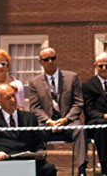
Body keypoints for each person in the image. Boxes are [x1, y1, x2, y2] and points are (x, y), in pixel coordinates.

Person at [26, 45, 85, 176]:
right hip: (47, 124)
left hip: (69, 121)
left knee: (80, 129)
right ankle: (41, 168)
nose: (50, 62)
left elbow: (78, 103)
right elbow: (35, 107)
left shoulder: (72, 77)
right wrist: (49, 121)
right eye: (46, 59)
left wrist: (65, 120)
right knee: (34, 132)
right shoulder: (34, 82)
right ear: (40, 62)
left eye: (53, 58)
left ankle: (82, 169)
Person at [0, 83, 55, 176]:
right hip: (4, 163)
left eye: (13, 95)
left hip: (28, 161)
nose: (13, 100)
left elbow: (39, 144)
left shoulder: (29, 117)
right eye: (8, 98)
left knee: (49, 169)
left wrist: (40, 153)